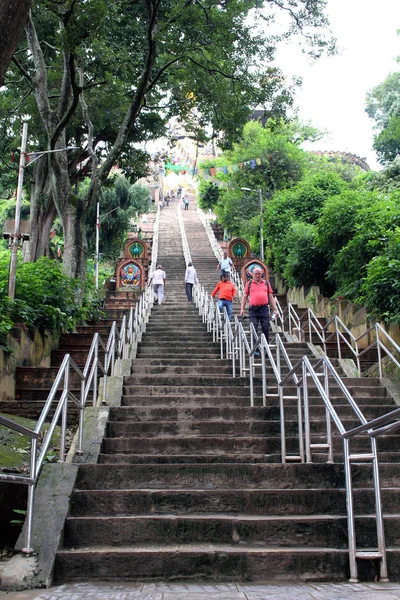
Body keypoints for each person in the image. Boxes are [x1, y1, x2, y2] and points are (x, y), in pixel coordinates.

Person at [240, 267, 279, 350]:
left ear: (262, 274)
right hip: (253, 310)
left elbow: (271, 297)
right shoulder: (249, 284)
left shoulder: (266, 283)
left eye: (259, 274)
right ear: (252, 274)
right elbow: (245, 296)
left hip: (264, 309)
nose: (257, 275)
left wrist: (275, 309)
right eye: (256, 274)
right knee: (254, 328)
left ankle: (266, 348)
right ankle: (255, 348)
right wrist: (242, 309)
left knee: (265, 328)